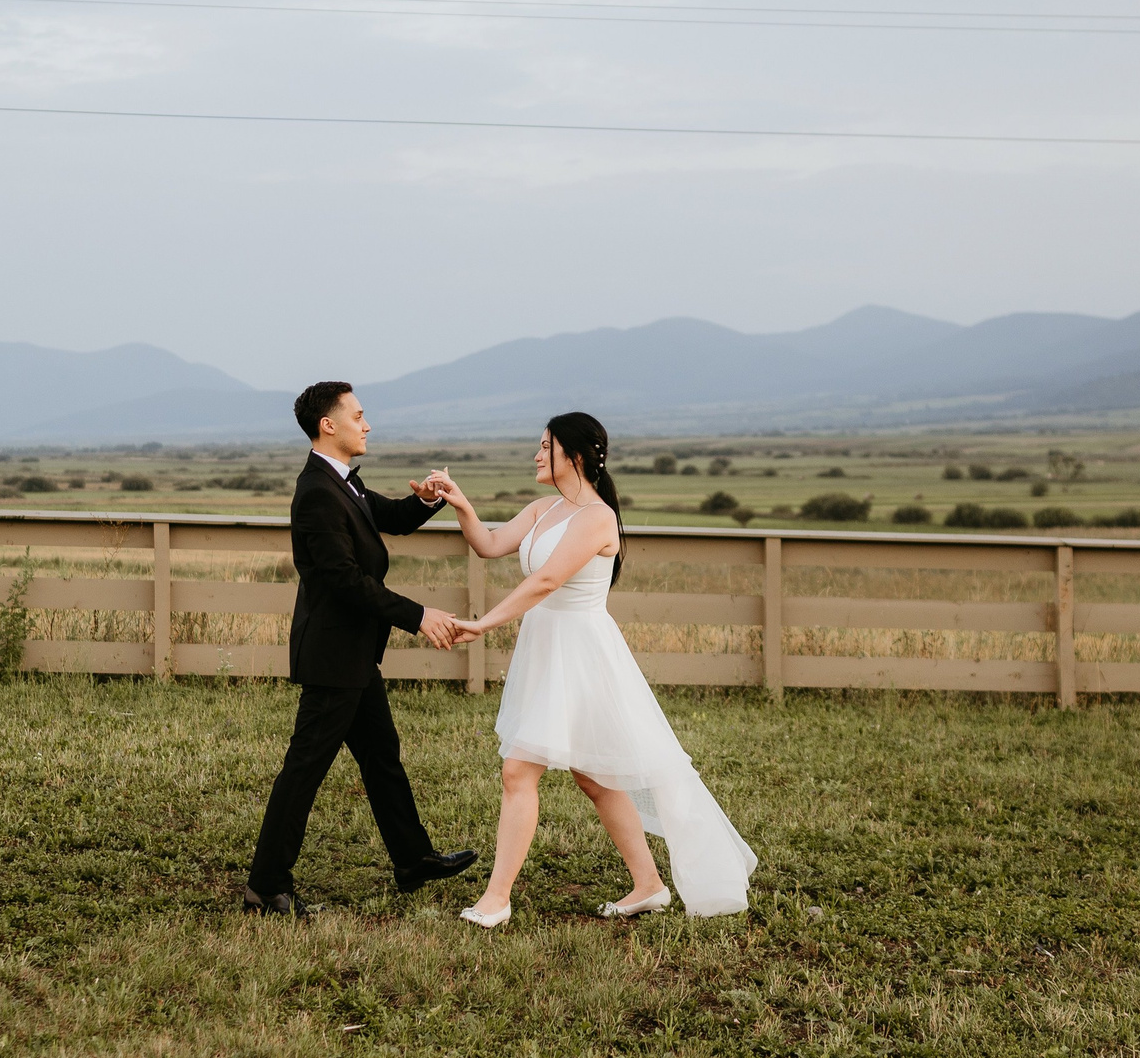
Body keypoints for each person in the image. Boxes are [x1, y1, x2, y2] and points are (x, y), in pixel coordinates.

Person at [433, 413, 755, 925]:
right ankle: (648, 885)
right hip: (547, 650)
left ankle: (497, 899)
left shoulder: (597, 518)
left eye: (545, 446)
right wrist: (462, 504)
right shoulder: (543, 509)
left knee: (519, 769)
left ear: (575, 456)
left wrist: (483, 624)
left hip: (583, 654)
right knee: (596, 778)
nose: (537, 455)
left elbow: (548, 581)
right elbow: (490, 544)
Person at [241, 381, 478, 916]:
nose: (366, 424)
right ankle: (266, 884)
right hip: (332, 659)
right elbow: (345, 581)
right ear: (330, 425)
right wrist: (419, 616)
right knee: (304, 768)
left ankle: (413, 860)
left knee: (381, 758)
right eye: (358, 415)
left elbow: (388, 517)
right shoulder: (318, 493)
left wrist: (427, 501)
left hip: (353, 658)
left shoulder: (342, 482)